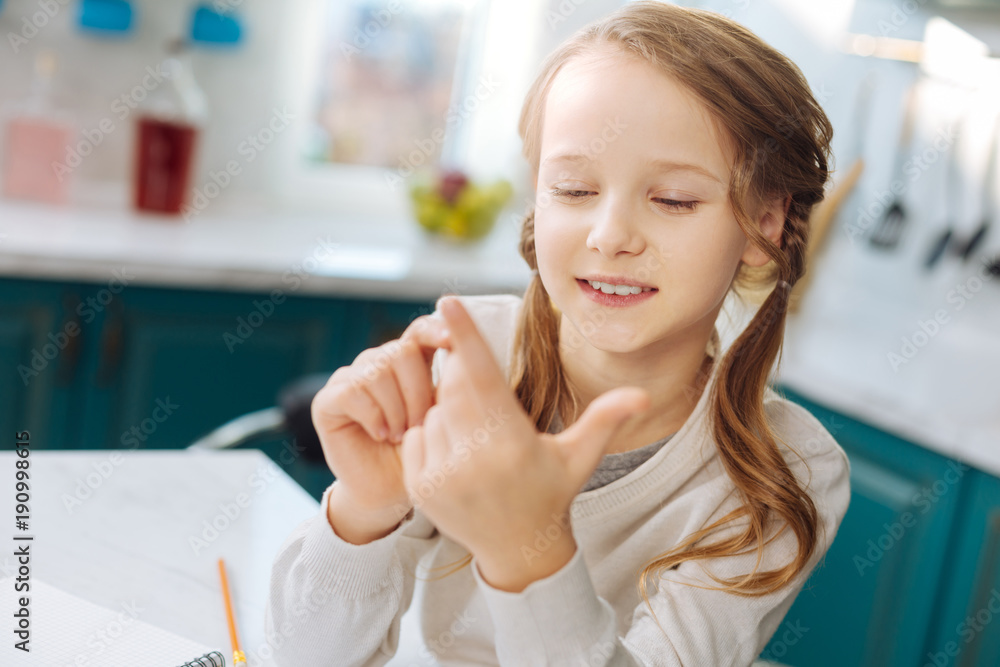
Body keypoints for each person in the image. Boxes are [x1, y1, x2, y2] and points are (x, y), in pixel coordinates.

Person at [264, 2, 850, 665]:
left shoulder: (784, 469)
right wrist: (363, 511)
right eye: (573, 189)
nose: (611, 236)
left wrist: (530, 551)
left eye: (674, 200)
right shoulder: (469, 360)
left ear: (764, 224)